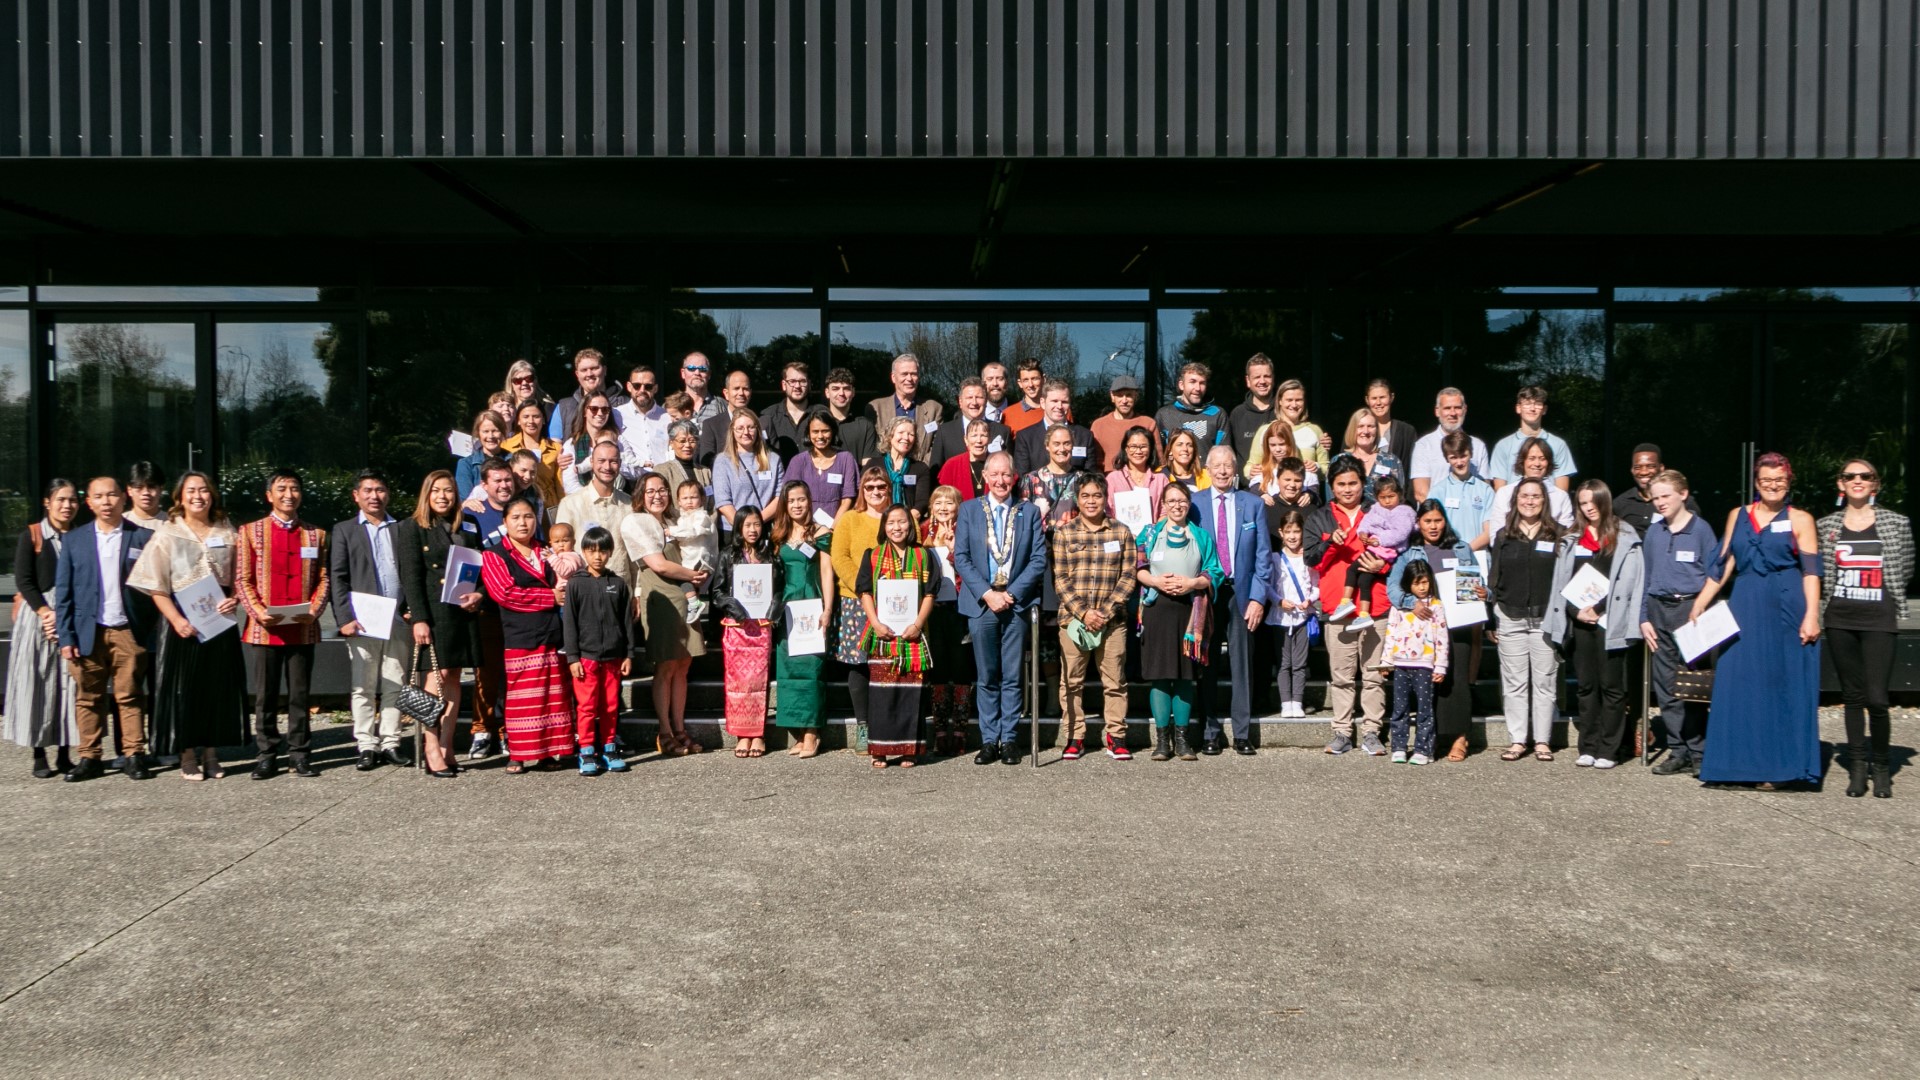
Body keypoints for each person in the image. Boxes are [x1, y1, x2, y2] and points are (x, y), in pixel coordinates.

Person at [1689, 453, 1824, 788]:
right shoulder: (1739, 515)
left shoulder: (1801, 519)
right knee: (1740, 683)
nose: (1773, 485)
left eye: (1779, 480)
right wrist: (1700, 603)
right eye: (1766, 480)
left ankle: (1781, 769)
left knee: (1781, 684)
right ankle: (1737, 765)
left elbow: (1811, 573)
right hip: (1746, 603)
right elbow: (1723, 565)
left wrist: (1811, 614)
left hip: (1786, 604)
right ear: (1756, 482)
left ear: (1789, 481)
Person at [125, 470, 246, 780]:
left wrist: (235, 598)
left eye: (203, 490)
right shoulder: (168, 533)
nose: (198, 496)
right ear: (179, 497)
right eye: (191, 490)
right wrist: (176, 620)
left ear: (212, 495)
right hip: (181, 620)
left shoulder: (226, 530)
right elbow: (155, 586)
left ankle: (211, 752)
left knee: (215, 687)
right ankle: (187, 753)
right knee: (184, 690)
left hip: (218, 618)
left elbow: (240, 577)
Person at [53, 476, 157, 782]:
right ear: (90, 502)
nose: (106, 502)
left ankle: (134, 754)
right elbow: (64, 594)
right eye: (99, 497)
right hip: (88, 630)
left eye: (112, 495)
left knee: (129, 694)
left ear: (124, 498)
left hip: (128, 629)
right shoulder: (74, 540)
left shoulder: (143, 537)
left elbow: (156, 586)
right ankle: (90, 757)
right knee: (88, 696)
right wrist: (66, 636)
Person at [1818, 458, 1911, 798]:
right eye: (1849, 476)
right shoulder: (1825, 525)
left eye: (1865, 476)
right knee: (1853, 697)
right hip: (1840, 618)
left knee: (1878, 698)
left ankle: (1883, 766)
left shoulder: (1896, 523)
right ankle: (1858, 767)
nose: (1857, 480)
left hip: (1879, 620)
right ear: (1840, 484)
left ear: (1876, 484)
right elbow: (1822, 572)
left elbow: (1905, 566)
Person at [234, 469, 330, 778]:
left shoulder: (316, 534)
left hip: (301, 626)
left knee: (300, 695)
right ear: (269, 495)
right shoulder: (250, 532)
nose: (289, 494)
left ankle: (300, 752)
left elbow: (324, 578)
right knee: (266, 695)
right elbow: (242, 578)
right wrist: (258, 611)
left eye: (294, 488)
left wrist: (314, 610)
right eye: (282, 488)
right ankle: (267, 753)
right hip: (265, 628)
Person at [953, 452, 1046, 765]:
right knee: (987, 674)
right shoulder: (969, 510)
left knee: (1012, 675)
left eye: (1006, 475)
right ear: (985, 478)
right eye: (994, 475)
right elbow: (962, 557)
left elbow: (1037, 559)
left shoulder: (1029, 512)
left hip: (1015, 604)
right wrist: (987, 594)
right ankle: (988, 740)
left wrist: (1012, 594)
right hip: (982, 605)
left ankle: (1009, 739)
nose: (1001, 481)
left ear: (1014, 477)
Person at [1545, 481, 1645, 770]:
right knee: (1586, 686)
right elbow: (1561, 582)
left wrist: (1599, 609)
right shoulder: (1572, 539)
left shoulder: (1625, 536)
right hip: (1580, 621)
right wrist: (1577, 612)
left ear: (1604, 501)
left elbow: (1630, 582)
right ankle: (1587, 746)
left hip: (1610, 621)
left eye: (1593, 502)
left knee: (1612, 687)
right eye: (1583, 503)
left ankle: (1609, 748)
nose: (1588, 508)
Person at [395, 470, 484, 778]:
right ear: (426, 495)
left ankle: (447, 746)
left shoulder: (467, 526)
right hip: (433, 614)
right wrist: (419, 618)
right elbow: (411, 577)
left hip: (462, 612)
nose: (443, 496)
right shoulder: (412, 528)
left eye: (448, 491)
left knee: (455, 679)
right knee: (436, 677)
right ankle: (430, 746)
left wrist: (479, 594)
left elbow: (481, 568)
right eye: (436, 491)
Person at [1387, 500, 1488, 762]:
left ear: (1446, 521)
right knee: (1431, 682)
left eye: (1438, 520)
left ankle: (1459, 738)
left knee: (1457, 681)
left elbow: (1477, 582)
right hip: (1424, 629)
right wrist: (1412, 603)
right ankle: (1433, 738)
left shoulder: (1461, 548)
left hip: (1460, 623)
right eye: (1428, 521)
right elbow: (1393, 589)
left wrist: (1481, 591)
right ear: (1418, 524)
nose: (1433, 526)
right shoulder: (1411, 554)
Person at [482, 495, 576, 772]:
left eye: (528, 517)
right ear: (505, 522)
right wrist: (550, 597)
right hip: (520, 636)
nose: (523, 523)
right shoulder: (495, 554)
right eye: (516, 518)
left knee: (552, 696)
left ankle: (547, 753)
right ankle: (518, 753)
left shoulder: (546, 551)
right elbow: (505, 593)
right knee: (523, 697)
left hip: (552, 634)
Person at [1049, 474, 1139, 761]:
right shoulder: (1065, 533)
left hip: (1112, 622)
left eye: (1096, 495)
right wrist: (1084, 613)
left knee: (1114, 682)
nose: (1091, 501)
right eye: (1085, 496)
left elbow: (1128, 576)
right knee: (1071, 682)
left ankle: (1116, 736)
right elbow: (1060, 579)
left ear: (1105, 498)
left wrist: (1105, 611)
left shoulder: (1122, 532)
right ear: (1077, 499)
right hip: (1074, 621)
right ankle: (1075, 737)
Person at [1304, 458, 1389, 757]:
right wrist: (1330, 543)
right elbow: (1310, 559)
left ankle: (1372, 731)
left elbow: (1399, 548)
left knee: (1373, 674)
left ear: (1362, 483)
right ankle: (1341, 731)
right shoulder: (1320, 517)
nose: (1348, 489)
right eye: (1341, 484)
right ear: (1331, 487)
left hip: (1375, 604)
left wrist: (1383, 564)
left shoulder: (1379, 512)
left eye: (1353, 483)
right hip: (1336, 606)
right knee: (1341, 675)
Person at [330, 470, 414, 771]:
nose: (374, 496)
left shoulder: (402, 528)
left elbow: (411, 572)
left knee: (395, 683)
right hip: (362, 621)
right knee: (363, 686)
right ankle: (366, 744)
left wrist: (412, 609)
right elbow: (337, 578)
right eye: (367, 490)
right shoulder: (344, 530)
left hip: (398, 619)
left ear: (387, 493)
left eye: (379, 489)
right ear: (356, 495)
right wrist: (345, 619)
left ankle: (391, 742)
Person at [1637, 470, 1719, 777]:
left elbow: (1714, 573)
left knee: (1694, 685)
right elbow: (1646, 578)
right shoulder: (1654, 533)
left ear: (1683, 494)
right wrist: (1644, 617)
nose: (1660, 503)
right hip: (1659, 610)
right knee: (1667, 685)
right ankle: (1677, 749)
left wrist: (1702, 609)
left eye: (1665, 496)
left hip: (1691, 610)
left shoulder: (1701, 531)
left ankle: (1699, 751)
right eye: (1655, 497)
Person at [1134, 483, 1224, 761]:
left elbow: (1215, 571)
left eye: (1182, 501)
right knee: (1159, 677)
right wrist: (1156, 581)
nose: (1177, 506)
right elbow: (1138, 568)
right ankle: (1162, 740)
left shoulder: (1201, 536)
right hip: (1156, 609)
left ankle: (1183, 739)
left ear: (1188, 504)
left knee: (1185, 677)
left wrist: (1193, 583)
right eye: (1171, 501)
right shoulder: (1148, 534)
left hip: (1189, 612)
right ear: (1163, 504)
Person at [1191, 445, 1272, 756]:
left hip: (1242, 591)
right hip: (1208, 591)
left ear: (1236, 469)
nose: (1223, 471)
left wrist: (1258, 598)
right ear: (1207, 470)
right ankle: (1210, 732)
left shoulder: (1251, 505)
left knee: (1242, 664)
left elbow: (1264, 556)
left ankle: (1242, 733)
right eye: (1217, 465)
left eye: (1228, 465)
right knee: (1206, 664)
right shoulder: (1195, 504)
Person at [624, 473, 710, 756]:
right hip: (661, 593)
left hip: (685, 590)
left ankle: (679, 726)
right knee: (665, 664)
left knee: (683, 663)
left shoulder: (674, 520)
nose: (657, 495)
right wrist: (693, 575)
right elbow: (658, 565)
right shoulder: (635, 520)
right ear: (640, 494)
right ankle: (664, 730)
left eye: (662, 490)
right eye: (651, 491)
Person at [5, 479, 81, 777]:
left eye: (72, 500)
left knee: (68, 684)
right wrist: (45, 612)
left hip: (70, 615)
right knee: (37, 684)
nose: (67, 505)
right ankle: (38, 755)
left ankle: (64, 753)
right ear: (47, 502)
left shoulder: (80, 537)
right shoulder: (33, 535)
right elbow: (24, 580)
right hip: (37, 617)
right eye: (61, 499)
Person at [1487, 478, 1565, 763]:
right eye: (1524, 496)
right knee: (1514, 683)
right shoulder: (1503, 536)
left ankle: (1543, 740)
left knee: (1545, 682)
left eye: (1535, 496)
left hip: (1545, 618)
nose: (1529, 501)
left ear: (1544, 501)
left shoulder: (1558, 534)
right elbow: (1494, 577)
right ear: (1515, 500)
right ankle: (1518, 740)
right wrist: (1489, 618)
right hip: (1510, 615)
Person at [857, 504, 937, 767]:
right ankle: (879, 749)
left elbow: (930, 593)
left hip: (912, 634)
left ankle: (908, 750)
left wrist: (917, 624)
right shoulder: (872, 555)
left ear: (910, 525)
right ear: (884, 527)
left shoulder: (924, 556)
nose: (897, 527)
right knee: (881, 693)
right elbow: (865, 592)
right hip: (882, 635)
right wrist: (876, 623)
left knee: (909, 693)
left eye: (902, 522)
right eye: (891, 523)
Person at [559, 525, 632, 777]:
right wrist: (572, 657)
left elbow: (626, 623)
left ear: (610, 552)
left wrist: (629, 654)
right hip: (586, 658)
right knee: (587, 706)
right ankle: (587, 750)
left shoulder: (618, 584)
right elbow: (569, 622)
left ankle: (610, 748)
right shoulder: (575, 585)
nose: (597, 556)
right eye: (591, 551)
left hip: (613, 657)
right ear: (583, 552)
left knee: (610, 705)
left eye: (602, 551)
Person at [769, 481, 835, 757]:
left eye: (802, 500)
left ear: (810, 501)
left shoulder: (821, 533)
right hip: (788, 611)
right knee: (788, 671)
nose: (797, 505)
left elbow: (827, 572)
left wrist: (828, 609)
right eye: (792, 500)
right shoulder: (778, 534)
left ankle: (812, 733)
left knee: (811, 671)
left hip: (812, 605)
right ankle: (797, 732)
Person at [831, 467, 893, 752]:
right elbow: (839, 557)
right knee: (859, 664)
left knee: (888, 664)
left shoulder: (897, 517)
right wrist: (863, 585)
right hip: (856, 598)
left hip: (892, 601)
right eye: (870, 487)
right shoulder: (849, 520)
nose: (876, 492)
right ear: (862, 490)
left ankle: (887, 724)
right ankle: (864, 725)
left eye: (881, 486)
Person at [714, 507, 782, 759]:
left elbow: (779, 589)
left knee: (758, 682)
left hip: (761, 628)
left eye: (757, 525)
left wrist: (772, 610)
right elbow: (717, 591)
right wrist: (734, 607)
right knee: (738, 683)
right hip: (736, 628)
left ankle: (759, 734)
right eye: (748, 525)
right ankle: (742, 734)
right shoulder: (728, 555)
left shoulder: (770, 555)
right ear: (739, 528)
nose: (753, 530)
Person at [919, 485, 972, 755]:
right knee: (938, 670)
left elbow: (971, 568)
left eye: (949, 503)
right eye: (938, 501)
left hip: (960, 607)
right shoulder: (922, 530)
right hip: (932, 609)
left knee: (961, 669)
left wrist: (953, 549)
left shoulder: (966, 529)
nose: (943, 507)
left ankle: (960, 731)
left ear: (958, 506)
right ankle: (940, 732)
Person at [1381, 560, 1449, 765]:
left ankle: (1423, 749)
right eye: (1417, 583)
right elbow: (1390, 633)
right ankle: (1399, 747)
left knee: (1424, 709)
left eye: (1425, 582)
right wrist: (1386, 661)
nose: (1422, 587)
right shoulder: (1399, 607)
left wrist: (1441, 665)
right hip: (1401, 664)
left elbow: (1442, 637)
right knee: (1399, 708)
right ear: (1408, 585)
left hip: (1425, 664)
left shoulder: (1436, 606)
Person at [1328, 474, 1414, 629]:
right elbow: (1366, 522)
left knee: (1352, 569)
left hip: (1385, 551)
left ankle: (1346, 601)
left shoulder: (1404, 512)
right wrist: (1362, 533)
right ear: (1376, 498)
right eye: (1383, 497)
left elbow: (1400, 533)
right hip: (1375, 548)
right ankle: (1364, 614)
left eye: (1391, 496)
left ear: (1399, 495)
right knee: (1364, 580)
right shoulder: (1375, 509)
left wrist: (1378, 539)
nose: (1387, 501)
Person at [1265, 508, 1319, 719]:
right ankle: (1285, 702)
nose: (1293, 536)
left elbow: (1316, 585)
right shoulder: (1275, 558)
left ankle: (1298, 701)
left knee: (1299, 663)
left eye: (1296, 531)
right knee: (1283, 662)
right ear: (1281, 532)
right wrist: (1278, 601)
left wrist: (1310, 600)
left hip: (1302, 617)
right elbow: (1267, 585)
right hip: (1281, 616)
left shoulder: (1308, 558)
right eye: (1288, 531)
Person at [554, 441, 634, 582]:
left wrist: (637, 592)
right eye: (601, 461)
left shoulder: (630, 504)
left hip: (621, 586)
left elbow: (635, 553)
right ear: (591, 462)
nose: (607, 467)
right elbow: (561, 552)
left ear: (620, 464)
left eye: (613, 461)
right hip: (584, 587)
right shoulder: (570, 504)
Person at [1488, 385, 1577, 491]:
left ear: (1544, 410)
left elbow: (1562, 491)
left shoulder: (1559, 444)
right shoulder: (1503, 446)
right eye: (1527, 403)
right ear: (1518, 408)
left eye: (1538, 404)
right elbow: (1500, 490)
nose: (1532, 408)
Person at [1409, 387, 1490, 502]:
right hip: (1437, 516)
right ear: (1437, 411)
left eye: (1457, 408)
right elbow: (1421, 493)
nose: (1452, 413)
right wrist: (1443, 517)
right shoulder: (1424, 445)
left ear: (1465, 409)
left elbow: (1484, 489)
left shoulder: (1478, 446)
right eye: (1447, 408)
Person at [1487, 437, 1576, 540]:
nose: (1537, 464)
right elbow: (1495, 536)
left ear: (1548, 463)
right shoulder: (1505, 493)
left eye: (1542, 459)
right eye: (1531, 458)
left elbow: (1567, 536)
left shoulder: (1560, 496)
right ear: (1523, 461)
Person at [866, 353, 944, 464]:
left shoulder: (934, 409)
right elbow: (872, 447)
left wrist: (919, 470)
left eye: (914, 374)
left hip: (922, 475)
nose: (909, 379)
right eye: (904, 374)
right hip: (886, 475)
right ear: (893, 377)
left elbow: (937, 447)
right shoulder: (876, 408)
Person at [1425, 431, 1498, 550]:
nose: (1459, 463)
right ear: (1447, 459)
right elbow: (1431, 528)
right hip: (1447, 555)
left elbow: (1489, 531)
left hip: (1478, 556)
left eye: (1463, 456)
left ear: (1471, 454)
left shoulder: (1486, 491)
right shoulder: (1438, 491)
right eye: (1453, 457)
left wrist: (1467, 550)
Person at [1011, 377, 1097, 477]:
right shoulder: (1025, 437)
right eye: (1054, 401)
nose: (1059, 406)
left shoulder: (1084, 436)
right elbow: (1023, 478)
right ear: (1043, 403)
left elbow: (1091, 477)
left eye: (1064, 402)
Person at [784, 409, 859, 520]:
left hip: (838, 526)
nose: (820, 436)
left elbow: (848, 498)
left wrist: (833, 529)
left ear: (833, 431)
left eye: (825, 431)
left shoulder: (846, 459)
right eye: (815, 431)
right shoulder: (798, 461)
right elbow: (790, 498)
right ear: (808, 433)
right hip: (804, 526)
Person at [1612, 443, 1700, 535]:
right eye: (1637, 467)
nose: (1643, 472)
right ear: (1632, 470)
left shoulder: (1681, 501)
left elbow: (1697, 534)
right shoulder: (1619, 504)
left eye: (1650, 466)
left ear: (1661, 468)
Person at [929, 377, 1012, 473]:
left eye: (979, 397)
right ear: (960, 402)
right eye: (969, 397)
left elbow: (1010, 470)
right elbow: (935, 472)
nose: (974, 402)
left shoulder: (1002, 431)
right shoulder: (945, 432)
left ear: (986, 401)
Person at [666, 480, 719, 627]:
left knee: (683, 579)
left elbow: (694, 532)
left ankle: (694, 603)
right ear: (678, 501)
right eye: (685, 498)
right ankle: (692, 606)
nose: (689, 501)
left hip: (700, 559)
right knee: (685, 583)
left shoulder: (702, 517)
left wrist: (673, 531)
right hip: (689, 558)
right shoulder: (683, 518)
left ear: (702, 499)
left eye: (693, 497)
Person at [547, 347, 629, 440]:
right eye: (584, 370)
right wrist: (559, 455)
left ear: (605, 370)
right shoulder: (563, 408)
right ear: (577, 375)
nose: (589, 374)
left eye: (594, 368)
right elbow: (554, 445)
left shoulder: (625, 403)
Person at [1017, 424, 1084, 533]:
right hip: (1041, 544)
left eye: (1067, 443)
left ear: (1072, 445)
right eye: (1056, 444)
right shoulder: (1031, 480)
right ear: (1047, 446)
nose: (1062, 449)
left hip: (1073, 543)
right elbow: (1023, 517)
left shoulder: (1083, 479)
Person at [866, 416, 934, 523]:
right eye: (901, 432)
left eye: (911, 434)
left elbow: (922, 502)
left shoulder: (920, 468)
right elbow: (863, 494)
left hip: (908, 524)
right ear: (890, 435)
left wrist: (902, 522)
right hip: (875, 521)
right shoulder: (873, 464)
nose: (906, 438)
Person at [1089, 374, 1160, 470]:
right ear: (1112, 396)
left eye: (1129, 395)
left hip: (1142, 481)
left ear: (1136, 396)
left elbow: (1158, 460)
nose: (1124, 400)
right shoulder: (1099, 425)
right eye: (1120, 395)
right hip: (1107, 481)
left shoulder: (1148, 423)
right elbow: (1094, 462)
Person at [1154, 362, 1229, 451]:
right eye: (1192, 382)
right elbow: (1158, 455)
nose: (1197, 388)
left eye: (1202, 383)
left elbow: (1224, 455)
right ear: (1181, 385)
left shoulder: (1218, 414)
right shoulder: (1164, 415)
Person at [501, 400, 564, 505]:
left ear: (543, 420)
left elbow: (560, 485)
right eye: (526, 417)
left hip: (547, 508)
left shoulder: (556, 449)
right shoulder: (506, 446)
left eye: (536, 416)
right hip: (515, 505)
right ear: (518, 421)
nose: (531, 421)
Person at [1105, 426, 1167, 530]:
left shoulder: (1161, 479)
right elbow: (1108, 511)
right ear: (1126, 448)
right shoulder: (1112, 479)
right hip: (1121, 538)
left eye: (1143, 446)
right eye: (1133, 446)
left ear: (1151, 448)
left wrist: (1151, 534)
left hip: (1154, 538)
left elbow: (1165, 511)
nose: (1138, 451)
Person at [558, 391, 620, 495]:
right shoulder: (572, 444)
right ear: (584, 411)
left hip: (614, 498)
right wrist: (592, 497)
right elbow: (570, 484)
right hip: (583, 502)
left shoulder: (618, 441)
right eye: (594, 409)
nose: (600, 413)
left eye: (605, 410)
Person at [1225, 354, 1280, 467]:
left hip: (1281, 483)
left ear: (1273, 378)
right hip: (1247, 484)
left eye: (1267, 376)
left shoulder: (1284, 410)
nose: (1262, 381)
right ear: (1248, 381)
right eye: (1257, 377)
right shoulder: (1237, 415)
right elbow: (1229, 453)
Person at [615, 364, 671, 475]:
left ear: (655, 388)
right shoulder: (616, 414)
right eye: (637, 386)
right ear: (629, 386)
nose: (642, 390)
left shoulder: (667, 417)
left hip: (662, 481)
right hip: (629, 484)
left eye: (648, 386)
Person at [698, 369, 759, 467]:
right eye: (736, 388)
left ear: (750, 392)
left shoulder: (761, 422)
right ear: (726, 393)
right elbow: (706, 462)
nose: (741, 393)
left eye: (745, 389)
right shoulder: (711, 425)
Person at [760, 360, 815, 465]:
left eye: (802, 381)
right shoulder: (768, 416)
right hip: (781, 479)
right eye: (792, 381)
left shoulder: (820, 413)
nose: (797, 386)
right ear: (784, 385)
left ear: (809, 384)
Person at [1342, 408, 1405, 498]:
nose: (1366, 431)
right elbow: (1332, 501)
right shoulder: (1340, 461)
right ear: (1352, 430)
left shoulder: (1391, 461)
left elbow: (1399, 497)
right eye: (1360, 426)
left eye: (1370, 426)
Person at [1274, 379, 1330, 476]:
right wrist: (1256, 470)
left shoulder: (1315, 431)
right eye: (1289, 400)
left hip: (1308, 489)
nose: (1294, 405)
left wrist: (1317, 467)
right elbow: (1249, 468)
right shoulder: (1267, 430)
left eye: (1298, 400)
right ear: (1280, 401)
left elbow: (1326, 468)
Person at [654, 419, 714, 511]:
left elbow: (712, 504)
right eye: (682, 441)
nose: (687, 445)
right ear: (671, 443)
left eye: (692, 440)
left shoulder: (705, 472)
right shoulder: (662, 471)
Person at [823, 367, 878, 466]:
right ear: (827, 392)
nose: (841, 393)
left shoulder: (865, 426)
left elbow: (868, 466)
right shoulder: (818, 425)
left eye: (846, 389)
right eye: (835, 388)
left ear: (853, 392)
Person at [935, 414, 996, 501]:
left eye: (983, 436)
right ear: (966, 439)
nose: (979, 440)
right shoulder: (952, 465)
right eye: (974, 436)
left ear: (989, 439)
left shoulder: (997, 464)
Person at [455, 409, 508, 501]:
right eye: (485, 431)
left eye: (495, 431)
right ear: (478, 433)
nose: (490, 436)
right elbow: (465, 500)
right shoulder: (466, 464)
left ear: (503, 432)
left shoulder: (512, 461)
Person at [1365, 378, 1418, 466]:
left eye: (1382, 397)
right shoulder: (1359, 430)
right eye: (1374, 398)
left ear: (1391, 397)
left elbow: (1414, 466)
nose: (1378, 403)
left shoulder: (1407, 431)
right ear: (1367, 400)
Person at [1001, 357, 1049, 435]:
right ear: (1020, 383)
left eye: (1034, 379)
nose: (1030, 385)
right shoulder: (1008, 415)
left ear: (1043, 379)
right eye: (1025, 380)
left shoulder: (1058, 410)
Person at [679, 351, 724, 430]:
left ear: (709, 374)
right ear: (683, 373)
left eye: (703, 369)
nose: (697, 373)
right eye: (691, 368)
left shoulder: (722, 406)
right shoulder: (670, 407)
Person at [1160, 429, 1211, 494]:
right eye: (1180, 444)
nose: (1185, 449)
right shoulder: (1160, 476)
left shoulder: (1206, 475)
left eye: (1189, 445)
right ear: (1170, 450)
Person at [124, 461, 167, 530]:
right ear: (129, 490)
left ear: (161, 489)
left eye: (151, 487)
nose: (146, 492)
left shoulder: (172, 523)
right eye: (139, 487)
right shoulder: (120, 523)